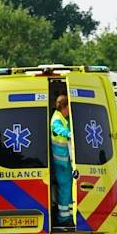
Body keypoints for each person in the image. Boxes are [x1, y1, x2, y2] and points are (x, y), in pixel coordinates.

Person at [50, 94, 74, 226]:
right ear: (64, 107)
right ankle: (64, 218)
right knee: (65, 189)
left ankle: (69, 216)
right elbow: (58, 129)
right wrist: (69, 134)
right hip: (61, 162)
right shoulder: (56, 119)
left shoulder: (63, 118)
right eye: (69, 107)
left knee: (68, 188)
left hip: (65, 161)